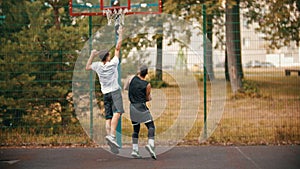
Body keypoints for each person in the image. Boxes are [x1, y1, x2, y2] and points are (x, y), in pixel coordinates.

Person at [85, 27, 124, 154]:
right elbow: (118, 48)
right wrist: (121, 33)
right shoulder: (113, 63)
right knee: (117, 113)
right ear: (107, 57)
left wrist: (92, 54)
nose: (111, 54)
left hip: (105, 94)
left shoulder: (97, 66)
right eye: (109, 54)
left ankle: (110, 137)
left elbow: (87, 67)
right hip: (115, 92)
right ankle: (112, 136)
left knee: (108, 117)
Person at [127, 65, 156, 160]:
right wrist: (149, 97)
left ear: (139, 72)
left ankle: (135, 150)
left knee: (136, 129)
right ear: (146, 73)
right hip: (141, 107)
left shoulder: (131, 79)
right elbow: (147, 98)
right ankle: (150, 145)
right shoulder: (147, 84)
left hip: (132, 107)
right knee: (151, 126)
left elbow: (126, 87)